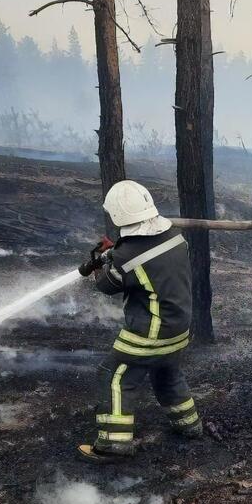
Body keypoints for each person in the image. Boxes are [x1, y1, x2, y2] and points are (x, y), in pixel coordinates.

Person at [77, 180, 202, 463]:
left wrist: (103, 264)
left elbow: (106, 286)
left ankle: (113, 443)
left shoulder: (125, 258)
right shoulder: (174, 234)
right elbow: (146, 254)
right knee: (166, 372)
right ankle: (190, 425)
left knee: (114, 375)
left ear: (119, 215)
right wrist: (116, 250)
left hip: (149, 333)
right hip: (179, 328)